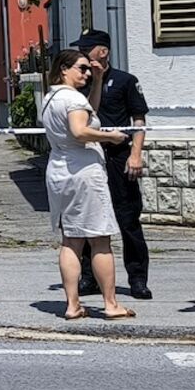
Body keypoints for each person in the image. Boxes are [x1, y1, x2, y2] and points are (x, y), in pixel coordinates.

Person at [40, 48, 135, 321]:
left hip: (59, 169)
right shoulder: (71, 98)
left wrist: (96, 82)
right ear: (63, 70)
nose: (86, 72)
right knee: (100, 240)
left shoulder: (52, 97)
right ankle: (111, 303)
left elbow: (88, 111)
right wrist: (110, 137)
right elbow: (80, 130)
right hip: (83, 170)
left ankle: (72, 304)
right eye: (82, 68)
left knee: (71, 239)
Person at [70, 30, 153, 300]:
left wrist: (136, 154)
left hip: (119, 156)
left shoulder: (126, 81)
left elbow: (137, 120)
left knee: (128, 219)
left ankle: (138, 278)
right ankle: (89, 277)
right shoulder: (79, 83)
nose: (83, 54)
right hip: (89, 156)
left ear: (102, 52)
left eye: (87, 49)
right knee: (86, 219)